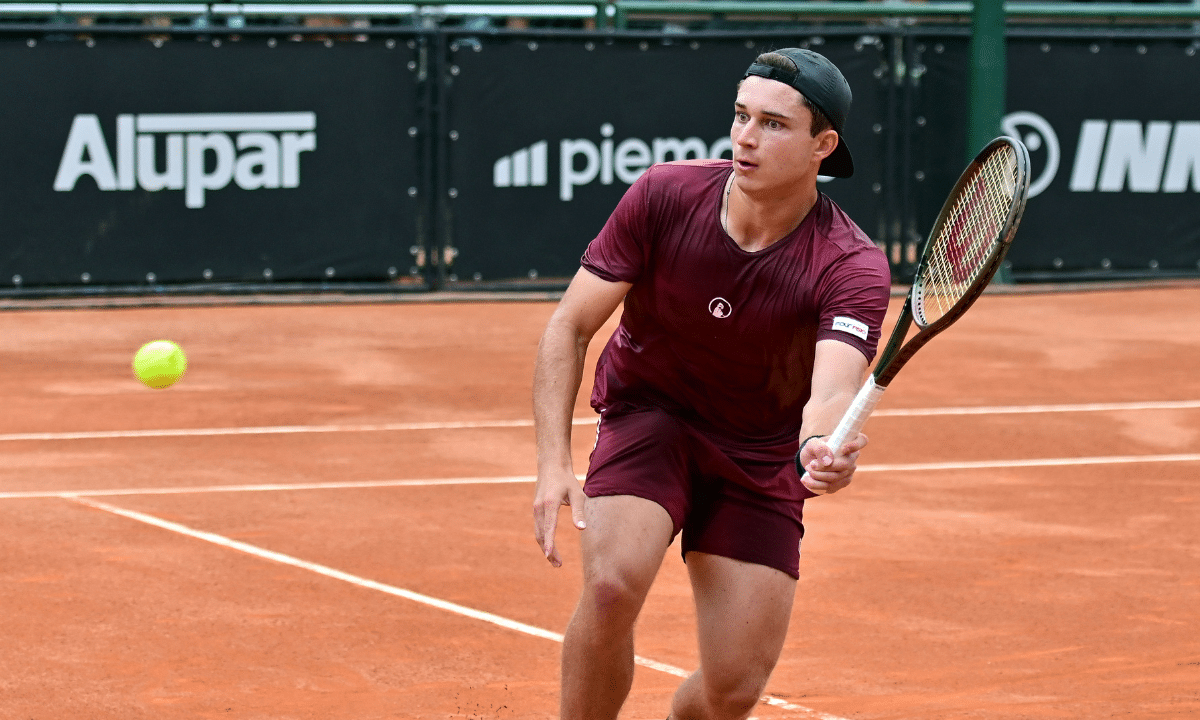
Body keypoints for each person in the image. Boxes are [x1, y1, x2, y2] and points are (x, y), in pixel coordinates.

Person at [532, 48, 892, 720]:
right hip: (652, 418)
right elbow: (570, 325)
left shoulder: (851, 264)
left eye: (774, 125)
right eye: (740, 116)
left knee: (730, 690)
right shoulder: (666, 195)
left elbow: (831, 391)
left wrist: (821, 446)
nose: (746, 138)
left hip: (758, 454)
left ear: (824, 145)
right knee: (611, 587)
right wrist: (554, 462)